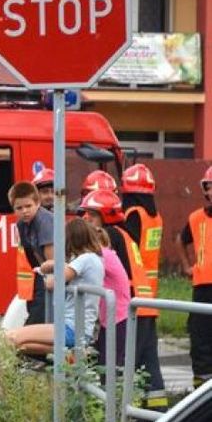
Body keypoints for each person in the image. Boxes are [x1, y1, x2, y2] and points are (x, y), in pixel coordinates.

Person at [79, 188, 165, 401]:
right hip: (144, 305)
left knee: (119, 365)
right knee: (147, 363)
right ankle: (155, 412)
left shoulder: (110, 236)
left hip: (127, 309)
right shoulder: (124, 233)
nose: (85, 218)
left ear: (105, 215)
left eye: (91, 213)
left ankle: (121, 416)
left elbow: (90, 264)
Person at [5, 217, 104, 357]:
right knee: (21, 345)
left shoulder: (85, 259)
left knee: (11, 337)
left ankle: (69, 354)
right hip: (80, 328)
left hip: (71, 328)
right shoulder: (95, 260)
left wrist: (49, 265)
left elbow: (52, 283)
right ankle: (67, 355)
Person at [120, 163, 168, 409]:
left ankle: (134, 408)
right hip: (150, 294)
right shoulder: (155, 216)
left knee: (132, 356)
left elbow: (128, 250)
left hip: (134, 293)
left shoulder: (133, 214)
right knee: (149, 358)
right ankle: (157, 408)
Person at [81, 213, 130, 366]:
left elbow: (76, 271)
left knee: (110, 366)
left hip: (116, 317)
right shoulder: (105, 255)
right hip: (109, 317)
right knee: (105, 363)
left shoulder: (102, 256)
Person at [180, 165, 212, 388]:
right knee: (200, 339)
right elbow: (181, 240)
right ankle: (200, 392)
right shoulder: (196, 218)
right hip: (202, 286)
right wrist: (186, 266)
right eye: (207, 188)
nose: (209, 193)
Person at [9, 181, 54, 325]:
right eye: (19, 208)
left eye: (28, 206)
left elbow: (52, 261)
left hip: (51, 273)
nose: (24, 211)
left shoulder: (45, 221)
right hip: (38, 273)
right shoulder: (21, 225)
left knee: (38, 319)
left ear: (37, 203)